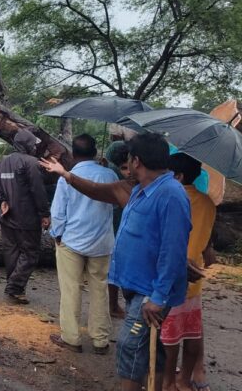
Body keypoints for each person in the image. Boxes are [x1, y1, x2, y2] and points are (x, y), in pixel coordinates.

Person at [41, 133, 191, 391]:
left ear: (137, 161)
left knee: (130, 347)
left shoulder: (170, 194)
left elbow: (173, 248)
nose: (127, 165)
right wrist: (66, 175)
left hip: (149, 293)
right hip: (137, 287)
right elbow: (97, 190)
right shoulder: (139, 189)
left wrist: (158, 296)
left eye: (129, 160)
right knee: (148, 350)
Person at [48, 134, 119, 354]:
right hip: (102, 242)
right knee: (100, 289)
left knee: (71, 288)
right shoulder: (110, 175)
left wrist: (56, 234)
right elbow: (116, 206)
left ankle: (71, 337)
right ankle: (100, 340)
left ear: (74, 155)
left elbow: (58, 212)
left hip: (72, 240)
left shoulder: (68, 177)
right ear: (96, 152)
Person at [161, 153, 216, 391]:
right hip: (196, 279)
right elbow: (206, 243)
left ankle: (169, 381)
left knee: (171, 335)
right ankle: (186, 378)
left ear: (178, 176)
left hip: (173, 277)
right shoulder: (207, 203)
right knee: (192, 331)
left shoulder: (173, 199)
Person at [0, 129, 50, 304]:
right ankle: (15, 287)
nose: (34, 147)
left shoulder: (1, 163)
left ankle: (15, 288)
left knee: (12, 252)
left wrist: (1, 201)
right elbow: (38, 191)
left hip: (6, 216)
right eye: (33, 144)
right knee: (31, 253)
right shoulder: (31, 163)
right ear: (27, 145)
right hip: (27, 218)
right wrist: (45, 214)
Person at [104, 141, 131, 319]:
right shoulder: (118, 177)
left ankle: (116, 303)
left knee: (115, 269)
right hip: (119, 227)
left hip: (115, 228)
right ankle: (115, 304)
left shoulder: (110, 173)